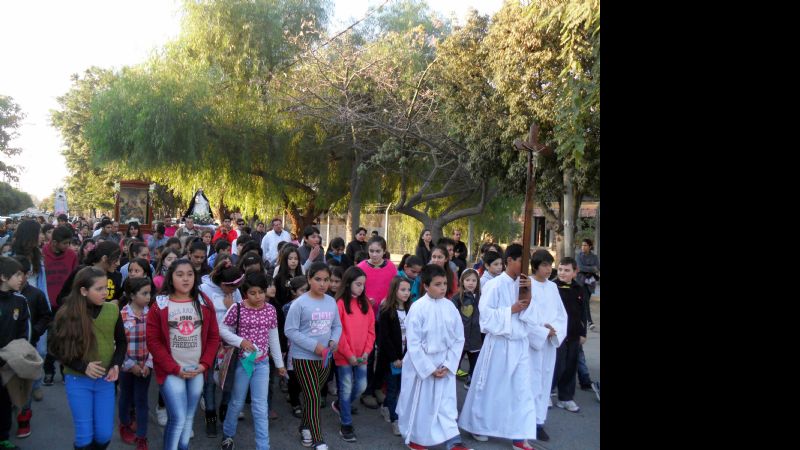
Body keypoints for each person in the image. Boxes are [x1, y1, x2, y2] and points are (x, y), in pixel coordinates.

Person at [457, 244, 537, 449]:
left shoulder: (526, 284)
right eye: (522, 261)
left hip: (519, 344)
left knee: (521, 389)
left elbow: (533, 314)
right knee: (491, 387)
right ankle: (479, 425)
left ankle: (519, 434)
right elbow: (486, 317)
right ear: (510, 260)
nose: (525, 266)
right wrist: (511, 310)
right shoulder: (494, 285)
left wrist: (528, 300)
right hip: (500, 343)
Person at [145, 259, 221, 450]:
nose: (186, 279)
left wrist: (204, 364)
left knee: (188, 417)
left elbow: (213, 336)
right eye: (180, 275)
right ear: (171, 277)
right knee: (178, 417)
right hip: (172, 371)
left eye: (189, 274)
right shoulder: (160, 305)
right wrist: (174, 368)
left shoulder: (204, 301)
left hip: (197, 370)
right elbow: (153, 341)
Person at [50, 266, 126, 450]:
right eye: (99, 289)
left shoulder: (112, 310)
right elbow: (56, 349)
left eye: (106, 287)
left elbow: (121, 343)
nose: (105, 292)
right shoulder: (67, 314)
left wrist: (116, 364)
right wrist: (83, 366)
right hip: (77, 380)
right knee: (84, 436)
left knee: (104, 434)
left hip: (105, 381)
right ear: (83, 291)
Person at [396, 264, 470, 450]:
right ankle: (417, 439)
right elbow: (413, 343)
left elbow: (458, 338)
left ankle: (453, 441)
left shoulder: (450, 307)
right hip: (423, 365)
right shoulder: (418, 308)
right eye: (437, 284)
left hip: (444, 363)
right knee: (423, 404)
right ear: (426, 286)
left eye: (445, 283)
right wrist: (429, 369)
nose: (443, 287)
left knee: (446, 404)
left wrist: (449, 363)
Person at [219, 272, 285, 450]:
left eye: (261, 292)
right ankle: (228, 434)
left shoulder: (270, 310)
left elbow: (273, 338)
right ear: (245, 293)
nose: (258, 297)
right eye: (253, 293)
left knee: (260, 406)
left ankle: (263, 446)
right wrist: (241, 342)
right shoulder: (237, 308)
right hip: (243, 363)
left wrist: (279, 365)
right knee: (237, 402)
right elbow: (223, 330)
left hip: (262, 363)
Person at [284, 262, 342, 450]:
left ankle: (304, 428)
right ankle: (318, 439)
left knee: (312, 397)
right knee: (314, 398)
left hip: (325, 359)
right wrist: (315, 346)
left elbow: (336, 326)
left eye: (326, 280)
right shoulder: (299, 304)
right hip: (303, 358)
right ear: (309, 279)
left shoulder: (331, 301)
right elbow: (290, 331)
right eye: (318, 279)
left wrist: (333, 341)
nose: (323, 284)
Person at [519, 249, 567, 443]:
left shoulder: (553, 288)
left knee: (545, 380)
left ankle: (539, 422)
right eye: (545, 265)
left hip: (548, 343)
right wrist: (541, 331)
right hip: (532, 343)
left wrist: (553, 329)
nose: (549, 269)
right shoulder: (527, 284)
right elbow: (523, 315)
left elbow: (561, 314)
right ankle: (524, 422)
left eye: (550, 265)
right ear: (535, 266)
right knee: (529, 382)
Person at [198, 257, 244, 436]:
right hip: (210, 342)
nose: (234, 290)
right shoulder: (204, 290)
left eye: (235, 288)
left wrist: (232, 307)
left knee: (228, 380)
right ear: (222, 283)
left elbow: (241, 313)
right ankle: (210, 416)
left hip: (231, 342)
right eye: (231, 287)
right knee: (209, 382)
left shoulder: (235, 292)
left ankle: (224, 410)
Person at [331, 267, 375, 443]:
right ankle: (346, 424)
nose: (361, 288)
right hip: (344, 356)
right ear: (348, 284)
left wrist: (366, 352)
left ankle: (342, 405)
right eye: (358, 284)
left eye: (363, 285)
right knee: (346, 387)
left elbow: (371, 330)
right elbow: (338, 333)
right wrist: (348, 354)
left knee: (362, 386)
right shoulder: (340, 303)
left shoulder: (366, 304)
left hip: (362, 355)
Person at [117, 277, 154, 450]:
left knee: (141, 400)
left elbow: (156, 341)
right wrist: (130, 364)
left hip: (145, 366)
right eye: (144, 293)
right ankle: (124, 423)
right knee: (125, 396)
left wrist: (148, 364)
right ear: (132, 295)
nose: (148, 296)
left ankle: (141, 435)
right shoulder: (122, 315)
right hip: (127, 366)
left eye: (149, 293)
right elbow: (117, 343)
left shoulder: (152, 313)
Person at [0, 257, 33, 446]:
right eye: (17, 275)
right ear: (3, 277)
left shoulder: (20, 300)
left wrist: (17, 355)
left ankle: (3, 437)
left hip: (9, 361)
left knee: (5, 400)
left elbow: (25, 331)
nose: (22, 278)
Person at [377, 276, 412, 437]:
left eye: (408, 290)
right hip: (393, 359)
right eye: (402, 290)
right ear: (394, 291)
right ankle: (395, 420)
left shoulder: (411, 309)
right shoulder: (386, 311)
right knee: (392, 389)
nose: (406, 293)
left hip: (407, 358)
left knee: (400, 388)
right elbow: (384, 338)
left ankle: (385, 407)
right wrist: (394, 358)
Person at [551, 257, 587, 413]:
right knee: (554, 365)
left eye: (567, 270)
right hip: (556, 334)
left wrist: (583, 332)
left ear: (575, 272)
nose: (562, 273)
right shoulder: (552, 287)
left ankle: (565, 398)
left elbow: (583, 313)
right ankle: (545, 393)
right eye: (560, 269)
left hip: (573, 334)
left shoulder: (579, 289)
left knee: (570, 365)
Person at [450, 269, 481, 385]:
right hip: (460, 338)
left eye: (474, 280)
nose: (471, 283)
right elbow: (451, 316)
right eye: (467, 280)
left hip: (476, 338)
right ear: (462, 281)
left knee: (475, 363)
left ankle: (471, 380)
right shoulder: (457, 298)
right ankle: (450, 379)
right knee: (455, 361)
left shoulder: (481, 297)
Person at [576, 239, 599, 330]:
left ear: (590, 247)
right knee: (585, 301)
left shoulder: (594, 257)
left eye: (585, 245)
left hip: (591, 281)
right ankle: (589, 321)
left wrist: (588, 269)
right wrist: (591, 268)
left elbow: (597, 268)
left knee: (584, 302)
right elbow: (580, 267)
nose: (583, 247)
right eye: (582, 245)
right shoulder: (579, 256)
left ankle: (580, 320)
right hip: (581, 281)